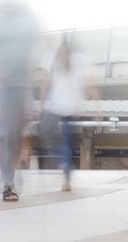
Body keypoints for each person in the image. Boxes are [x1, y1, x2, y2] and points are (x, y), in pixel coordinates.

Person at [0, 8, 39, 202]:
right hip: (7, 100)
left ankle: (9, 178)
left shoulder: (20, 54)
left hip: (17, 100)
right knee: (6, 138)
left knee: (12, 140)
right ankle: (8, 181)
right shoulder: (6, 55)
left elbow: (27, 79)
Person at [38, 38, 100, 191]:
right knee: (67, 142)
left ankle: (61, 158)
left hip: (56, 107)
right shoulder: (81, 60)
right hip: (73, 108)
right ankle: (66, 179)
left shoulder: (53, 58)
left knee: (46, 133)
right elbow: (91, 85)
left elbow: (45, 83)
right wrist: (98, 109)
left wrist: (40, 105)